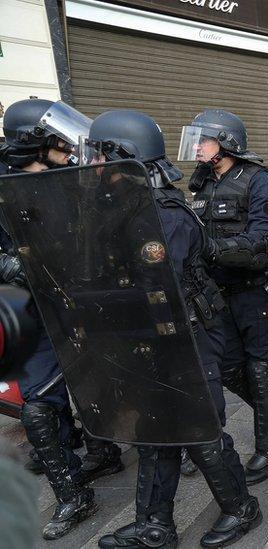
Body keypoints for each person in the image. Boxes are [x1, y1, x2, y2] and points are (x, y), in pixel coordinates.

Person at [81, 110, 261, 549]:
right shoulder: (122, 210)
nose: (93, 165)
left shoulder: (165, 216)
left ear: (125, 159)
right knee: (153, 431)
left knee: (202, 431)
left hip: (186, 340)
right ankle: (154, 525)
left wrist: (96, 302)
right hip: (147, 341)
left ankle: (242, 509)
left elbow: (159, 291)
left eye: (100, 156)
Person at [0, 99, 125, 540]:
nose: (65, 143)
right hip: (33, 313)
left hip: (84, 305)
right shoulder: (2, 189)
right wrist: (24, 262)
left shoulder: (69, 177)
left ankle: (105, 449)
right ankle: (73, 495)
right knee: (38, 409)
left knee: (109, 384)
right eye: (56, 137)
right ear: (34, 142)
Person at [180, 109, 268, 485]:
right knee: (228, 368)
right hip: (217, 294)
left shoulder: (257, 181)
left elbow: (263, 241)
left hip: (257, 292)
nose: (196, 147)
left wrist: (210, 249)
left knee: (261, 370)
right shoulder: (202, 184)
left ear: (226, 142)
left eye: (204, 139)